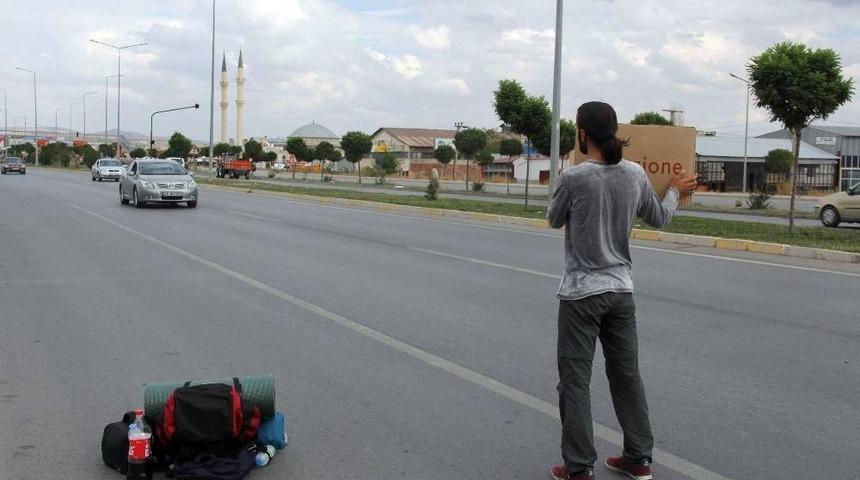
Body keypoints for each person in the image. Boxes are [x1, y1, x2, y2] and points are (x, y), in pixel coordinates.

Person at [547, 101, 697, 480]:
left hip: (581, 293)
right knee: (627, 375)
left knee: (576, 380)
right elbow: (659, 216)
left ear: (582, 134)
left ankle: (579, 468)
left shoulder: (573, 177)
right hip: (621, 292)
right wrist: (676, 190)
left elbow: (553, 220)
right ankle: (638, 458)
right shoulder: (635, 174)